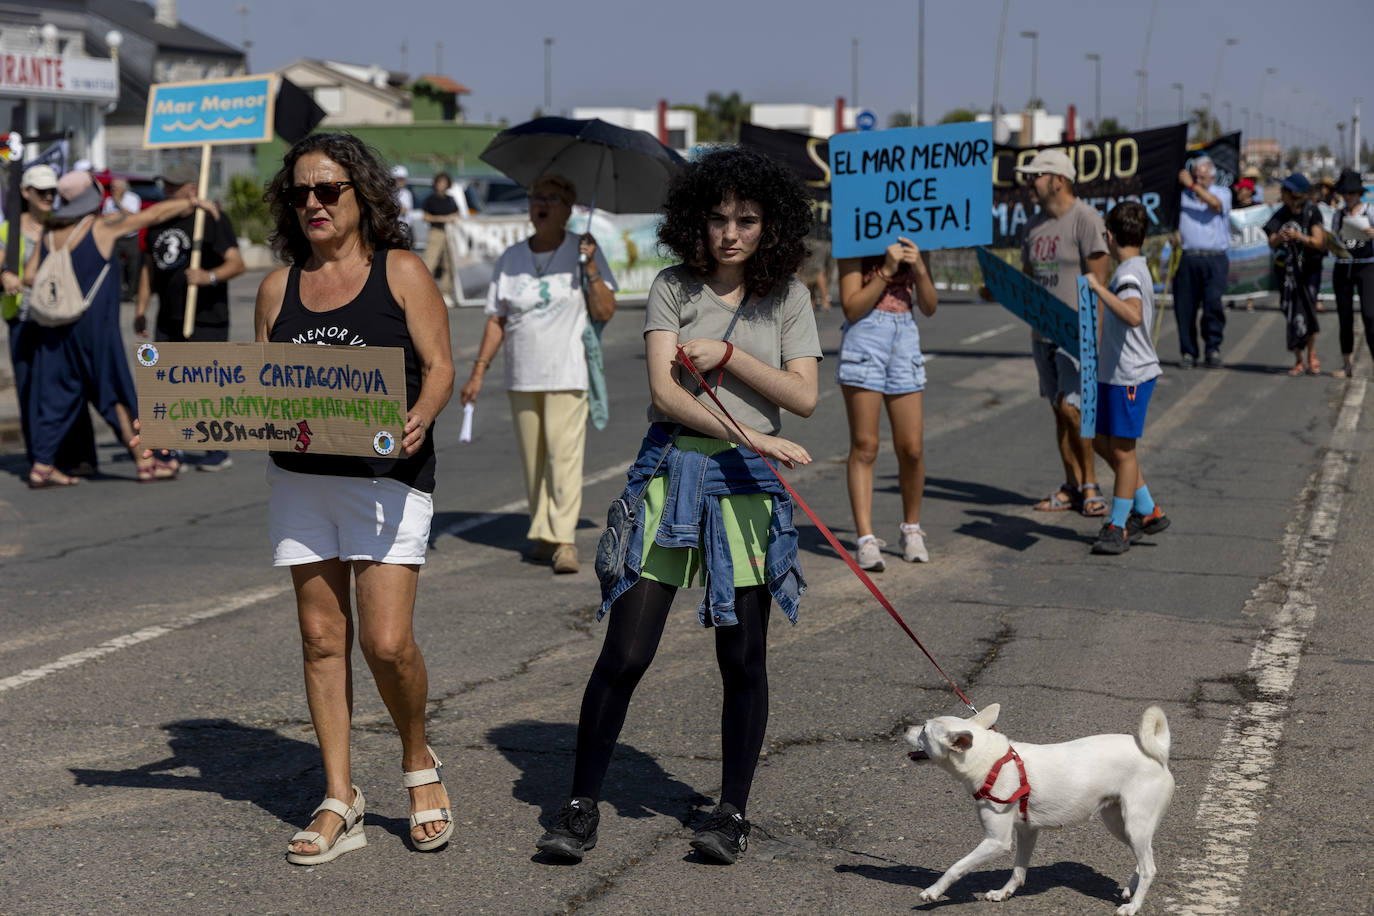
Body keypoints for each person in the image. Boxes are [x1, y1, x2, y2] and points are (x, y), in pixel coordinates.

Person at [535, 146, 820, 866]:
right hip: (670, 477)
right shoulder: (672, 285)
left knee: (743, 660)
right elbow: (664, 396)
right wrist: (751, 431)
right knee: (625, 653)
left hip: (747, 493)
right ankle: (578, 806)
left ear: (771, 225)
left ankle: (731, 813)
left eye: (748, 219)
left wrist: (729, 361)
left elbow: (805, 395)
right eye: (719, 218)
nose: (731, 233)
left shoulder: (787, 296)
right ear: (696, 220)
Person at [246, 133, 456, 863]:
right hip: (303, 481)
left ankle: (418, 760)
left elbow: (438, 366)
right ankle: (340, 796)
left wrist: (421, 416)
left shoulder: (400, 272)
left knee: (387, 643)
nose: (312, 203)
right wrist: (182, 414)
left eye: (327, 190)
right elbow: (258, 392)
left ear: (360, 197)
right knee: (320, 639)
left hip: (387, 480)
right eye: (300, 192)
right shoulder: (277, 289)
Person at [460, 173, 617, 574]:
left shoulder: (583, 253)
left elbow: (605, 311)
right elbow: (496, 319)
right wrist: (479, 372)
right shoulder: (512, 258)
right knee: (534, 461)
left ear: (567, 209)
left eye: (551, 198)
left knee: (563, 458)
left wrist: (591, 265)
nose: (540, 204)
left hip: (568, 373)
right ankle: (545, 534)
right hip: (522, 375)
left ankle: (565, 541)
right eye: (535, 197)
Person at [22, 170, 204, 487]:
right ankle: (147, 462)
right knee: (116, 393)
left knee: (57, 398)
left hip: (57, 328)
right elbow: (154, 213)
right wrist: (191, 202)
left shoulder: (50, 232)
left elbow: (29, 275)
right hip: (95, 329)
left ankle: (42, 465)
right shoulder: (99, 228)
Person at [1016, 148, 1111, 518]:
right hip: (1043, 334)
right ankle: (1071, 484)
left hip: (1077, 333)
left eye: (1036, 175)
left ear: (1058, 179)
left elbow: (1100, 281)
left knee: (1075, 410)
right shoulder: (1033, 224)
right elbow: (1028, 275)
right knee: (1060, 409)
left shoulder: (1086, 219)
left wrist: (1095, 339)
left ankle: (1091, 484)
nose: (1030, 182)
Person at [134, 161, 246, 471]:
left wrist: (208, 276)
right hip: (168, 318)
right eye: (165, 185)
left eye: (173, 186)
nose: (166, 191)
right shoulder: (158, 221)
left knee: (205, 386)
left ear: (192, 189)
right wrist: (141, 309)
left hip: (206, 317)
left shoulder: (211, 219)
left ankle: (216, 449)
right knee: (165, 386)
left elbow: (237, 264)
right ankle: (171, 449)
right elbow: (148, 269)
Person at [835, 236, 938, 570]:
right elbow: (851, 307)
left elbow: (930, 306)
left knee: (912, 447)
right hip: (865, 337)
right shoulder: (855, 233)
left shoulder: (918, 236)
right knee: (865, 445)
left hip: (905, 336)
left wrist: (919, 266)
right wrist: (886, 270)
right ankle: (865, 538)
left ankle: (912, 529)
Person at [1082, 201, 1170, 555]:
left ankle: (1117, 526)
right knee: (1103, 443)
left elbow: (1132, 316)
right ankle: (1148, 510)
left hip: (1130, 375)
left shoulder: (1129, 275)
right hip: (1116, 373)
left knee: (1122, 450)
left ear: (1109, 235)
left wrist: (1099, 289)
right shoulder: (1133, 267)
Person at [1, 164, 99, 476]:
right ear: (25, 192)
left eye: (52, 192)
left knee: (71, 386)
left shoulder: (62, 223)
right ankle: (41, 458)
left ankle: (80, 457)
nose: (47, 196)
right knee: (31, 388)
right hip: (25, 318)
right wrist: (4, 275)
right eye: (41, 191)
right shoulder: (8, 229)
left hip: (62, 317)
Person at [1174, 155, 1232, 369]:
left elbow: (1215, 205)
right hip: (1188, 257)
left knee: (1212, 304)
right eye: (1196, 178)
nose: (1198, 182)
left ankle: (1212, 348)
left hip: (1214, 259)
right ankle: (1188, 351)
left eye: (1202, 178)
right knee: (1185, 307)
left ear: (1212, 177)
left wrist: (1190, 184)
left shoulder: (1222, 193)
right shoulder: (1183, 197)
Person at [1265, 173, 1325, 375]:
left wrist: (1299, 236)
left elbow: (1318, 242)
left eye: (1285, 190)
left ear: (1294, 193)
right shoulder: (1281, 213)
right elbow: (1271, 242)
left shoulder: (1312, 212)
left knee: (1308, 312)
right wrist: (1280, 238)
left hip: (1309, 271)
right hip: (1287, 272)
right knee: (1291, 312)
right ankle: (1298, 358)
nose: (1281, 193)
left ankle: (1311, 353)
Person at [1330, 168, 1374, 378]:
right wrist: (1334, 240)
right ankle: (1347, 364)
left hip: (1366, 266)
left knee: (1370, 315)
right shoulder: (1338, 215)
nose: (1348, 197)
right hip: (1343, 266)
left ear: (1359, 194)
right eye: (1345, 194)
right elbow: (1333, 244)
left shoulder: (1371, 211)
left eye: (1352, 194)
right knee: (1344, 316)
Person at [420, 172, 460, 306]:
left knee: (448, 264)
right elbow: (425, 216)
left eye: (444, 182)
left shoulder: (451, 199)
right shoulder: (431, 199)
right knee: (430, 262)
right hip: (436, 231)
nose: (441, 185)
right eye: (439, 182)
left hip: (450, 233)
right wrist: (442, 218)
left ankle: (446, 293)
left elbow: (457, 213)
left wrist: (453, 217)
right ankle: (423, 291)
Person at [101, 177, 141, 300]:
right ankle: (118, 292)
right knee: (116, 266)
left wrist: (118, 204)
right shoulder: (108, 201)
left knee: (133, 266)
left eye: (115, 188)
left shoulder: (133, 198)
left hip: (130, 237)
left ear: (123, 189)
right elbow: (105, 218)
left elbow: (134, 217)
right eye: (111, 188)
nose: (112, 190)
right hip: (116, 237)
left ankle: (132, 292)